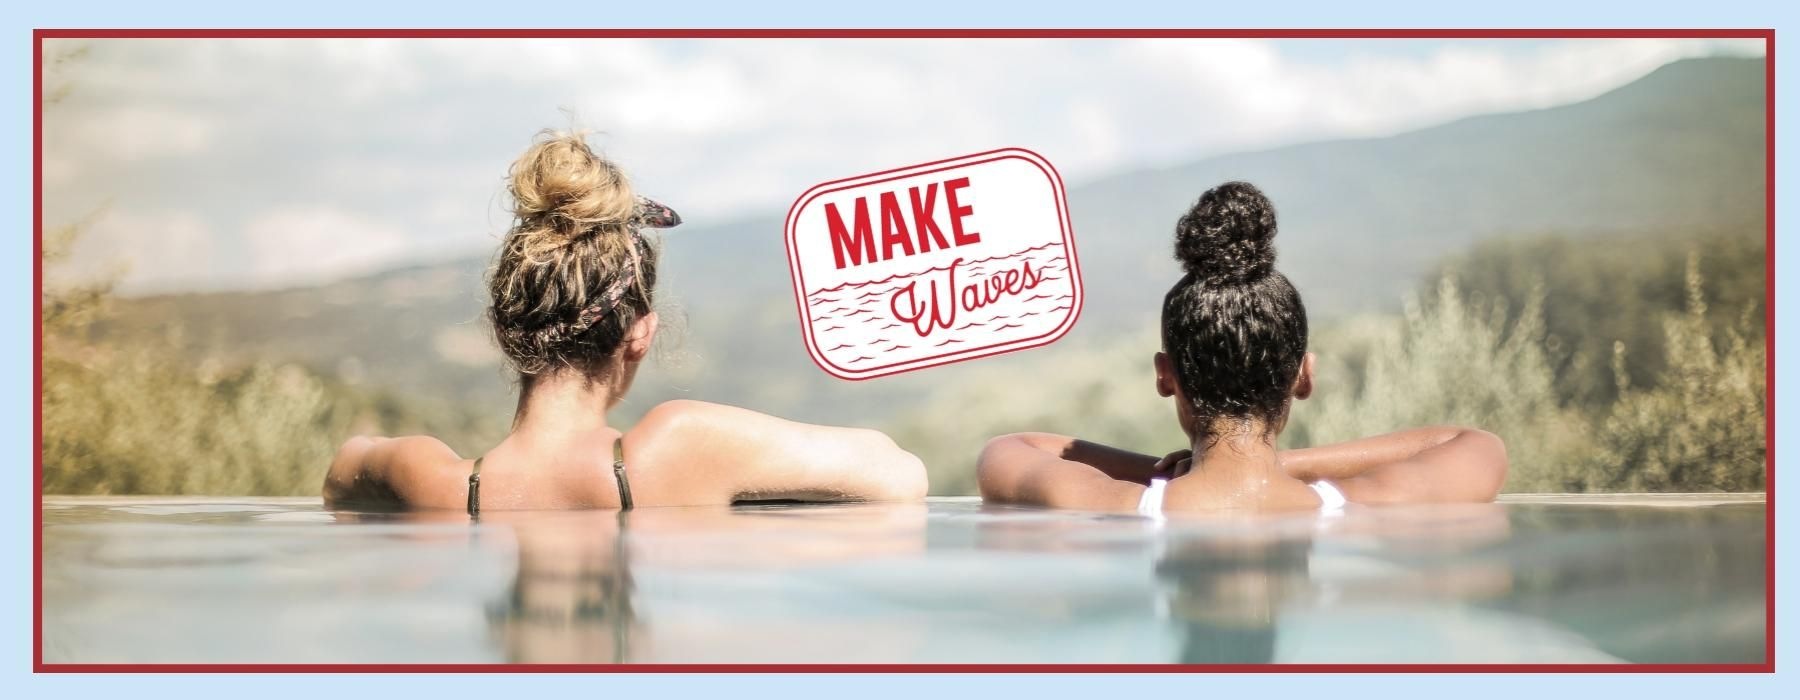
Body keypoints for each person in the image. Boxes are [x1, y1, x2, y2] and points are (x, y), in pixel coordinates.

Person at [325, 130, 927, 512]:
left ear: (504, 328)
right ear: (639, 333)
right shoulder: (676, 446)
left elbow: (344, 468)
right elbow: (900, 475)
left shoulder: (434, 481)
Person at [977, 182, 1506, 515]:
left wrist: (1168, 472)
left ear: (1165, 376)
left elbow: (1009, 450)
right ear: (1304, 376)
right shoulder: (1361, 503)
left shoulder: (1116, 506)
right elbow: (1473, 443)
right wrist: (1280, 464)